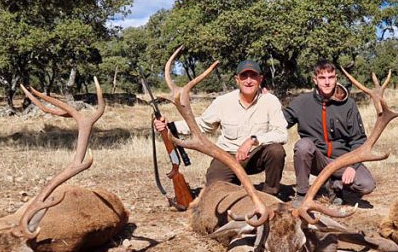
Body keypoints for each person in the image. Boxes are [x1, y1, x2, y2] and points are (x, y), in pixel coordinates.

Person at [154, 60, 288, 198]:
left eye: (253, 76)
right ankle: (233, 188)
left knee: (276, 151)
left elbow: (282, 134)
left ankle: (270, 196)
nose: (248, 81)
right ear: (237, 80)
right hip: (227, 157)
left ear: (260, 79)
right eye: (244, 76)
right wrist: (170, 126)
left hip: (255, 156)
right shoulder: (223, 102)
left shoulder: (270, 101)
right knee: (215, 190)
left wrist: (253, 140)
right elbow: (203, 125)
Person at [284, 60, 375, 204]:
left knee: (366, 184)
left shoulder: (349, 104)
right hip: (316, 159)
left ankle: (335, 187)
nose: (327, 82)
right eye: (322, 78)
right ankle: (302, 194)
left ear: (336, 79)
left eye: (331, 77)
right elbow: (280, 123)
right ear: (315, 80)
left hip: (342, 160)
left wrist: (352, 165)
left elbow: (358, 140)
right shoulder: (301, 102)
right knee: (303, 146)